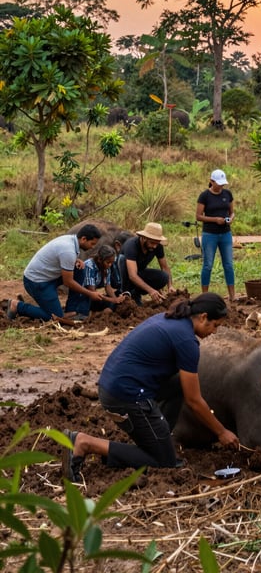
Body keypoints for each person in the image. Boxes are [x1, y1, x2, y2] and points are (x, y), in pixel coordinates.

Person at [61, 293, 239, 483]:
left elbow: (185, 388)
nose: (215, 331)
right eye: (215, 325)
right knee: (163, 461)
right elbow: (193, 400)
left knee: (181, 383)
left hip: (115, 385)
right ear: (203, 317)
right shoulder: (187, 341)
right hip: (125, 396)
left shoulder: (171, 319)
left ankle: (158, 437)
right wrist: (221, 431)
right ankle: (85, 443)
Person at [7, 224, 103, 322]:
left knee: (79, 269)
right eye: (92, 244)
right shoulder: (68, 250)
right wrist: (90, 293)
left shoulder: (71, 240)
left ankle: (71, 309)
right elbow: (68, 282)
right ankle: (17, 306)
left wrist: (75, 260)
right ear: (83, 239)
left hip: (47, 276)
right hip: (36, 282)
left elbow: (59, 256)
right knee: (54, 316)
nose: (92, 247)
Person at [196, 169, 236, 300]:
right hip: (210, 234)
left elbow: (232, 212)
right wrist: (215, 220)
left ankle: (232, 295)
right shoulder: (204, 196)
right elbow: (198, 216)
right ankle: (205, 295)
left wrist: (230, 219)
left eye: (223, 184)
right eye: (218, 183)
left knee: (228, 264)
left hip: (225, 234)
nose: (221, 186)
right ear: (211, 181)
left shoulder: (227, 194)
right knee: (208, 265)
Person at [63, 244, 128, 321]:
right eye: (108, 262)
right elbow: (92, 292)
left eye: (112, 262)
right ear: (100, 259)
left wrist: (116, 300)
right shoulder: (89, 266)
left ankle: (95, 314)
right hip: (83, 297)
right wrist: (112, 300)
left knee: (113, 303)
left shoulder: (106, 268)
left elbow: (108, 287)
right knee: (83, 315)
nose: (110, 265)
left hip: (93, 298)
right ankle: (91, 315)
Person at [119, 222, 174, 304]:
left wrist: (170, 286)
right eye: (152, 243)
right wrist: (151, 290)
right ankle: (125, 294)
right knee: (122, 259)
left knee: (164, 277)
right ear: (144, 238)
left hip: (139, 273)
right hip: (122, 277)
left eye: (157, 243)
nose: (155, 246)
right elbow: (132, 275)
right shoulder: (131, 245)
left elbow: (165, 267)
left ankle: (135, 293)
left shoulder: (157, 246)